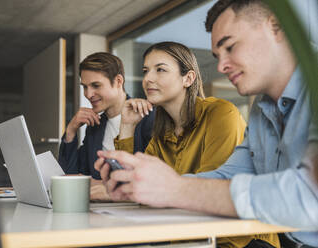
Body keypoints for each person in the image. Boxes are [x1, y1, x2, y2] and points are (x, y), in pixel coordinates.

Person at [95, 0, 318, 247]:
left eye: (230, 47)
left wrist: (175, 189)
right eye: (217, 55)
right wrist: (144, 183)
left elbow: (309, 196)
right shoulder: (262, 110)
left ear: (275, 27)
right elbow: (228, 176)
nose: (221, 66)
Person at [115, 41, 277, 248]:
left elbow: (207, 194)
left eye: (160, 70)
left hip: (236, 241)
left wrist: (157, 192)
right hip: (186, 239)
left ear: (188, 78)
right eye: (146, 71)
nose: (148, 79)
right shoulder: (161, 134)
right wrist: (128, 126)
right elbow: (131, 188)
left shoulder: (220, 114)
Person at [58, 52, 154, 199]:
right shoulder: (95, 125)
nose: (88, 94)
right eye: (85, 87)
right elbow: (71, 174)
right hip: (102, 209)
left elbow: (153, 176)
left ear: (118, 81)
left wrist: (101, 185)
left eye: (96, 85)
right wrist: (71, 129)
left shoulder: (146, 116)